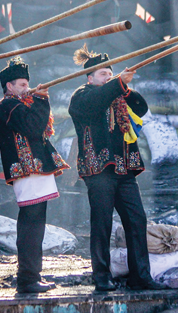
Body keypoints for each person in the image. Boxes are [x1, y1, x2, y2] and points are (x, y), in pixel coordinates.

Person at [68, 45, 160, 292]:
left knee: (137, 219)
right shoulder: (82, 96)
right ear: (90, 78)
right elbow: (93, 104)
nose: (108, 77)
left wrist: (124, 86)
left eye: (110, 73)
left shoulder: (120, 95)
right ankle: (101, 276)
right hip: (98, 170)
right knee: (102, 223)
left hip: (124, 170)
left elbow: (141, 106)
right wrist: (117, 84)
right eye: (102, 74)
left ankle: (140, 276)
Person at [0, 57, 70, 294]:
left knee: (36, 224)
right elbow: (34, 127)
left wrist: (36, 98)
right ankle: (27, 279)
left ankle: (32, 275)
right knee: (30, 225)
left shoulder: (21, 103)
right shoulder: (8, 106)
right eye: (22, 84)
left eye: (28, 84)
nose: (28, 88)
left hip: (35, 171)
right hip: (27, 171)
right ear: (9, 86)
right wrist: (41, 98)